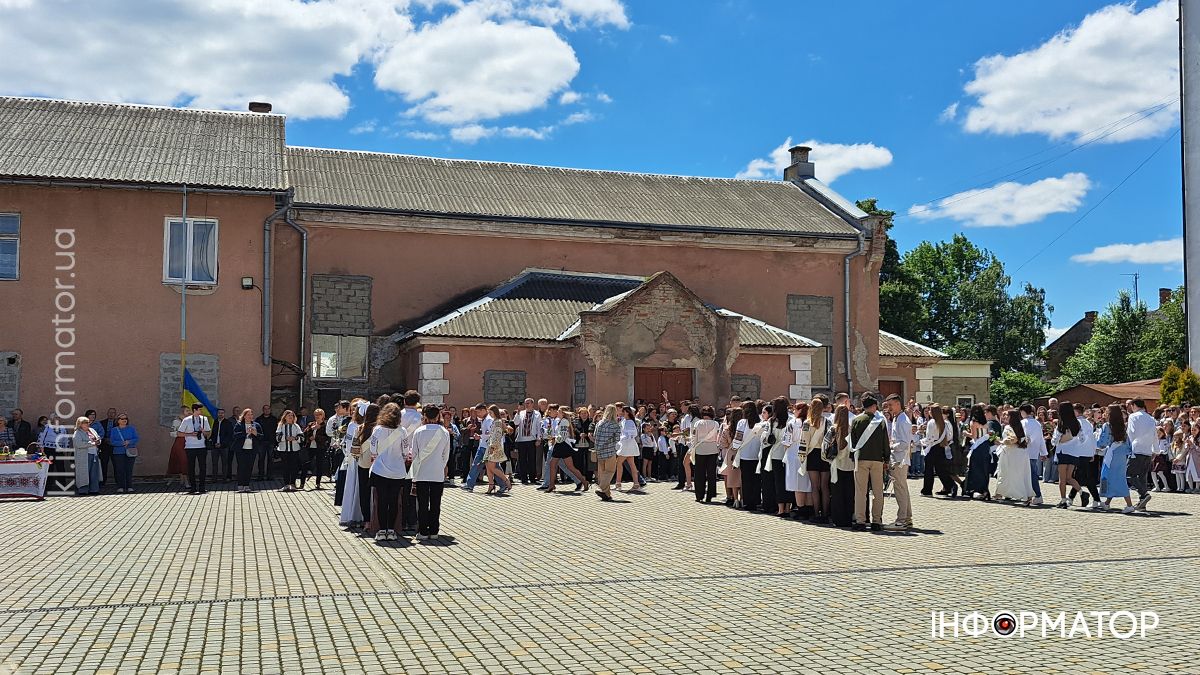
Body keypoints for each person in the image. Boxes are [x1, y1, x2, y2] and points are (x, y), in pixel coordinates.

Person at [409, 404, 452, 540]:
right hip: (437, 472)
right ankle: (434, 531)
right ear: (438, 415)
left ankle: (422, 531)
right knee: (435, 503)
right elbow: (446, 455)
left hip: (421, 472)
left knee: (422, 503)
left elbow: (414, 453)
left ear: (425, 416)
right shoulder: (444, 432)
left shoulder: (419, 431)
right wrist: (440, 466)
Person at [368, 403, 408, 542]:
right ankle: (391, 530)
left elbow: (373, 450)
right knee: (394, 501)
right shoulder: (402, 431)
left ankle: (381, 530)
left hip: (380, 470)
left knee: (381, 501)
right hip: (397, 471)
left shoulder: (377, 430)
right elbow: (405, 452)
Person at [849, 395, 888, 531]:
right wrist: (887, 459)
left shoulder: (856, 420)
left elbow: (852, 441)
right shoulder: (881, 422)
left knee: (860, 491)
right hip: (877, 459)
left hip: (861, 458)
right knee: (878, 491)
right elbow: (885, 442)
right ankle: (876, 521)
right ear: (873, 406)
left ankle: (860, 520)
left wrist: (852, 456)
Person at [1095, 404, 1134, 513]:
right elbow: (1128, 444)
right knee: (1116, 477)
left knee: (1112, 477)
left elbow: (1102, 442)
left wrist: (1096, 443)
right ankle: (1107, 503)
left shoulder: (1107, 426)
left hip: (1112, 454)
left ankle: (1130, 505)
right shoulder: (1122, 426)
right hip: (1121, 454)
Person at [884, 394, 913, 530]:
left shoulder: (902, 420)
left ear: (897, 403)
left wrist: (890, 445)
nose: (888, 408)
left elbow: (904, 443)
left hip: (899, 459)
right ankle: (907, 517)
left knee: (899, 489)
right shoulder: (898, 418)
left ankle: (901, 520)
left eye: (890, 405)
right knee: (903, 488)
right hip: (899, 458)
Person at [993, 410, 1035, 504]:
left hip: (1012, 453)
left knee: (1006, 473)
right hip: (1020, 453)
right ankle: (1024, 495)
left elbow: (1012, 440)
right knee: (1020, 474)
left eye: (1007, 416)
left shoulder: (1009, 427)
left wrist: (1000, 442)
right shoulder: (1020, 426)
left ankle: (1003, 493)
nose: (1005, 417)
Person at [544, 405, 587, 493]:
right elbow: (555, 433)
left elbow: (562, 436)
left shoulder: (564, 422)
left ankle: (584, 481)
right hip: (558, 445)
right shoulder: (559, 421)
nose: (557, 412)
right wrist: (550, 433)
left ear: (563, 413)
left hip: (562, 445)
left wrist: (554, 437)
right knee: (554, 465)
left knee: (569, 466)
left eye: (558, 411)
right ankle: (552, 485)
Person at [825, 403, 855, 527]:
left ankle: (838, 518)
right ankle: (848, 517)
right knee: (849, 493)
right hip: (850, 465)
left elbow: (825, 448)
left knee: (837, 493)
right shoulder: (852, 429)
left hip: (836, 465)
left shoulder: (833, 429)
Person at [352, 403, 380, 530]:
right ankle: (378, 520)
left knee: (364, 492)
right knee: (379, 493)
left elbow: (354, 449)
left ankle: (367, 520)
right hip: (378, 464)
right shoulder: (380, 429)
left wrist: (360, 457)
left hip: (363, 464)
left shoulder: (359, 428)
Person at [1125, 399, 1156, 511]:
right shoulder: (1151, 418)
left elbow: (1131, 432)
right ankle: (1142, 503)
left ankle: (1144, 494)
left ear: (1134, 405)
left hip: (1136, 449)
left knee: (1129, 474)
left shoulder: (1133, 416)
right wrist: (1155, 450)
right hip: (1147, 450)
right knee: (1142, 477)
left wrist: (1129, 448)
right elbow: (1154, 435)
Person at [1051, 402, 1084, 508]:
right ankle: (1082, 493)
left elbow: (1054, 441)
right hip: (1074, 453)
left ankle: (1063, 500)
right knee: (1069, 477)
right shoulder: (1077, 423)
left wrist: (1063, 439)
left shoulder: (1061, 424)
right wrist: (1074, 440)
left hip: (1063, 452)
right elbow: (1083, 439)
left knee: (1062, 479)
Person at [962, 404, 995, 501]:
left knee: (976, 469)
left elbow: (974, 436)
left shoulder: (973, 422)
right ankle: (985, 490)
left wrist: (966, 433)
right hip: (985, 446)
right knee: (984, 469)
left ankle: (977, 489)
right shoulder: (985, 422)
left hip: (978, 447)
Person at [920, 406, 955, 497]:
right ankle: (950, 485)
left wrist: (922, 441)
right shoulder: (946, 422)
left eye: (930, 411)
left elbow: (929, 438)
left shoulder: (932, 422)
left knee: (929, 469)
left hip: (933, 447)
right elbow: (950, 437)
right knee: (940, 469)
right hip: (941, 447)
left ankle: (927, 490)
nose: (929, 412)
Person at [689, 406, 721, 503]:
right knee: (711, 474)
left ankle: (699, 495)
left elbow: (694, 437)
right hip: (713, 450)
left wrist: (693, 447)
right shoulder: (716, 424)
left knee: (699, 474)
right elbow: (718, 437)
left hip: (700, 450)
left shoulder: (698, 423)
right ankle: (710, 495)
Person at [177, 404, 211, 495]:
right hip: (190, 447)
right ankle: (193, 487)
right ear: (195, 410)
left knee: (202, 467)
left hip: (202, 446)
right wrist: (190, 434)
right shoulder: (186, 420)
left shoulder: (204, 419)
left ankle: (202, 487)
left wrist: (203, 431)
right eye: (200, 410)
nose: (201, 411)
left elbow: (208, 433)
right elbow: (179, 433)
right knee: (191, 468)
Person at [592, 404, 621, 502]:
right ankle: (601, 488)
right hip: (609, 451)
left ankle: (607, 495)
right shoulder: (615, 425)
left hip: (599, 451)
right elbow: (617, 439)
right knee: (610, 471)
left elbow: (595, 435)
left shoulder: (599, 423)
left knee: (603, 473)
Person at [1018, 404, 1047, 506]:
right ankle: (1033, 495)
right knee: (1032, 474)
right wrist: (1044, 452)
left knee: (1029, 475)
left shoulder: (1023, 422)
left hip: (1024, 451)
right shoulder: (1037, 423)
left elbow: (1022, 437)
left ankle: (1035, 495)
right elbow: (1041, 440)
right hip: (1034, 452)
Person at [232, 409, 263, 493]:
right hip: (241, 449)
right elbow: (235, 435)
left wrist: (255, 434)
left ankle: (246, 485)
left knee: (249, 467)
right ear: (244, 416)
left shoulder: (256, 425)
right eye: (248, 414)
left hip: (252, 449)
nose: (250, 416)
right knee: (241, 467)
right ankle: (240, 485)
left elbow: (261, 437)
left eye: (251, 414)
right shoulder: (239, 424)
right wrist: (245, 432)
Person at [512, 398, 542, 485]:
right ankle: (524, 478)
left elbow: (539, 427)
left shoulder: (537, 414)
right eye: (525, 403)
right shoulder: (521, 413)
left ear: (532, 404)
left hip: (532, 439)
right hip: (521, 440)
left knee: (532, 459)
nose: (527, 405)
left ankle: (532, 477)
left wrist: (538, 438)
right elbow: (516, 423)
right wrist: (518, 412)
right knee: (522, 459)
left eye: (528, 403)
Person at [615, 406, 644, 493]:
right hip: (625, 444)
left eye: (623, 411)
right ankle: (636, 483)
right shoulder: (624, 421)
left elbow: (633, 433)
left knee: (619, 463)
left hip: (627, 445)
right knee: (631, 464)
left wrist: (625, 437)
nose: (621, 413)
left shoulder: (630, 422)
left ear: (627, 412)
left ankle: (618, 483)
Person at [108, 413, 139, 493]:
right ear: (118, 420)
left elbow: (136, 438)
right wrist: (122, 443)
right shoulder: (114, 430)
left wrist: (129, 442)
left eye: (125, 418)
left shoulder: (132, 428)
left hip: (130, 451)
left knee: (129, 469)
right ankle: (120, 486)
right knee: (120, 469)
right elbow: (112, 441)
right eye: (122, 419)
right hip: (118, 452)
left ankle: (129, 486)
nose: (124, 420)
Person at [72, 416, 101, 495]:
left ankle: (94, 489)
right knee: (84, 473)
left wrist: (98, 441)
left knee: (94, 472)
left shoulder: (92, 430)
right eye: (85, 423)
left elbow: (98, 438)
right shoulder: (77, 432)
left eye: (88, 422)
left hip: (94, 454)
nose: (88, 424)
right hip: (84, 456)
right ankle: (83, 490)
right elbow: (78, 444)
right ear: (80, 424)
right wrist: (92, 443)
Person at [275, 410, 303, 492]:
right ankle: (286, 484)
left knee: (294, 467)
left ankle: (293, 484)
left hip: (294, 449)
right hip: (284, 450)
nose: (290, 417)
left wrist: (295, 438)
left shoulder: (296, 426)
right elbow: (277, 437)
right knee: (285, 467)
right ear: (285, 417)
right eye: (289, 416)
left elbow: (302, 437)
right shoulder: (281, 426)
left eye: (292, 416)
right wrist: (286, 438)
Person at [301, 408, 329, 490]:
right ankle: (302, 483)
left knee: (319, 465)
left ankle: (318, 483)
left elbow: (326, 437)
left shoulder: (325, 425)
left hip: (320, 448)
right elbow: (304, 433)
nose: (317, 416)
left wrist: (316, 437)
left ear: (323, 416)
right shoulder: (311, 424)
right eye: (316, 414)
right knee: (306, 464)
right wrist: (311, 429)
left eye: (319, 414)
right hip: (310, 447)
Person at [167, 406, 190, 490]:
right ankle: (185, 480)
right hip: (180, 443)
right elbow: (172, 433)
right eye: (187, 411)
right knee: (181, 460)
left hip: (188, 442)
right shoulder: (177, 421)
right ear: (182, 412)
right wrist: (181, 433)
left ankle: (183, 479)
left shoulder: (190, 421)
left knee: (186, 461)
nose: (189, 412)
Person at [255, 405, 279, 481]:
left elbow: (276, 431)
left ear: (270, 410)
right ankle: (260, 475)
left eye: (268, 409)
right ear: (263, 410)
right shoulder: (258, 419)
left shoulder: (274, 419)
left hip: (271, 442)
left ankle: (270, 476)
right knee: (261, 459)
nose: (266, 410)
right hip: (261, 442)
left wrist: (276, 442)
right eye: (265, 409)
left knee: (270, 460)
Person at [95, 408, 118, 489]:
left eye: (113, 413)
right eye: (110, 413)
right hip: (104, 446)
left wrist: (112, 440)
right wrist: (104, 439)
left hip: (115, 446)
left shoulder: (118, 423)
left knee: (116, 464)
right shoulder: (101, 423)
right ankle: (103, 481)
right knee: (103, 464)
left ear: (115, 414)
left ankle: (118, 481)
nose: (111, 414)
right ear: (107, 413)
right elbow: (99, 433)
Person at [211, 408, 234, 481]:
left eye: (222, 413)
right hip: (214, 446)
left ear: (224, 414)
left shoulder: (228, 423)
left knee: (225, 463)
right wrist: (214, 443)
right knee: (214, 463)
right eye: (219, 413)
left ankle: (224, 478)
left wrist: (222, 444)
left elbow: (229, 435)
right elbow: (212, 434)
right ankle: (214, 479)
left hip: (224, 447)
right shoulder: (214, 422)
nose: (220, 414)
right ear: (217, 414)